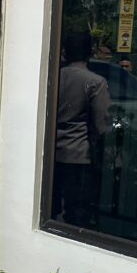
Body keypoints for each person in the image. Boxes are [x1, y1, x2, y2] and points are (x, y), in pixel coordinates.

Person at [53, 32, 111, 228]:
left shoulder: (52, 77)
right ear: (90, 52)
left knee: (50, 211)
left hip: (52, 154)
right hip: (79, 156)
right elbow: (101, 123)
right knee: (77, 212)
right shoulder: (95, 82)